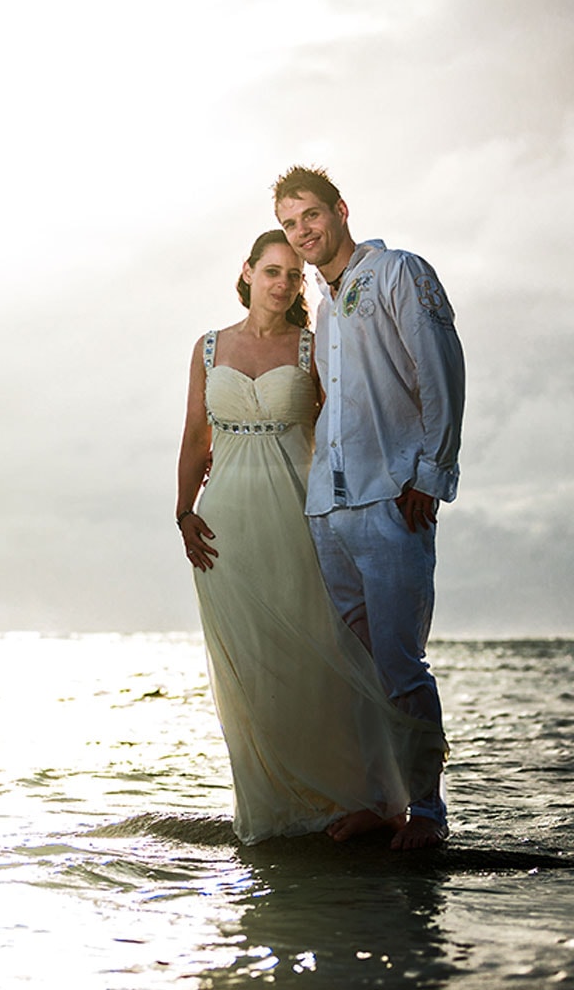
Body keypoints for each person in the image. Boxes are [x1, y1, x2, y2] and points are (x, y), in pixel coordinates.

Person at [176, 230, 446, 846]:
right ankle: (278, 807)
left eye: (293, 276)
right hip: (225, 527)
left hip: (301, 513)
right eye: (271, 271)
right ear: (246, 272)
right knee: (252, 669)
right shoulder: (208, 346)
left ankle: (368, 798)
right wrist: (183, 511)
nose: (282, 283)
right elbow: (196, 435)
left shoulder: (312, 344)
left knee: (330, 660)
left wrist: (410, 470)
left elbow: (351, 417)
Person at [272, 165, 466, 850]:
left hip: (393, 501)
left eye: (311, 217)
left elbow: (441, 369)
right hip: (331, 509)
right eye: (291, 225)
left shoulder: (400, 274)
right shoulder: (324, 312)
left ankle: (428, 812)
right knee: (358, 668)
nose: (303, 233)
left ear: (340, 209)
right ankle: (379, 803)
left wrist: (431, 473)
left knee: (401, 661)